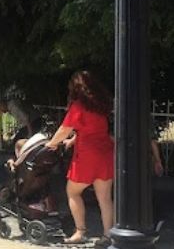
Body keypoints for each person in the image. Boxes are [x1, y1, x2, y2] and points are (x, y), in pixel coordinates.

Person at [44, 71, 114, 245]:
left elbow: (64, 128)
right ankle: (108, 234)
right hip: (105, 153)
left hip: (86, 156)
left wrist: (52, 143)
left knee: (73, 192)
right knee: (104, 198)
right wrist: (74, 139)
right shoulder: (101, 105)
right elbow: (94, 128)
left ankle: (80, 232)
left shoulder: (78, 106)